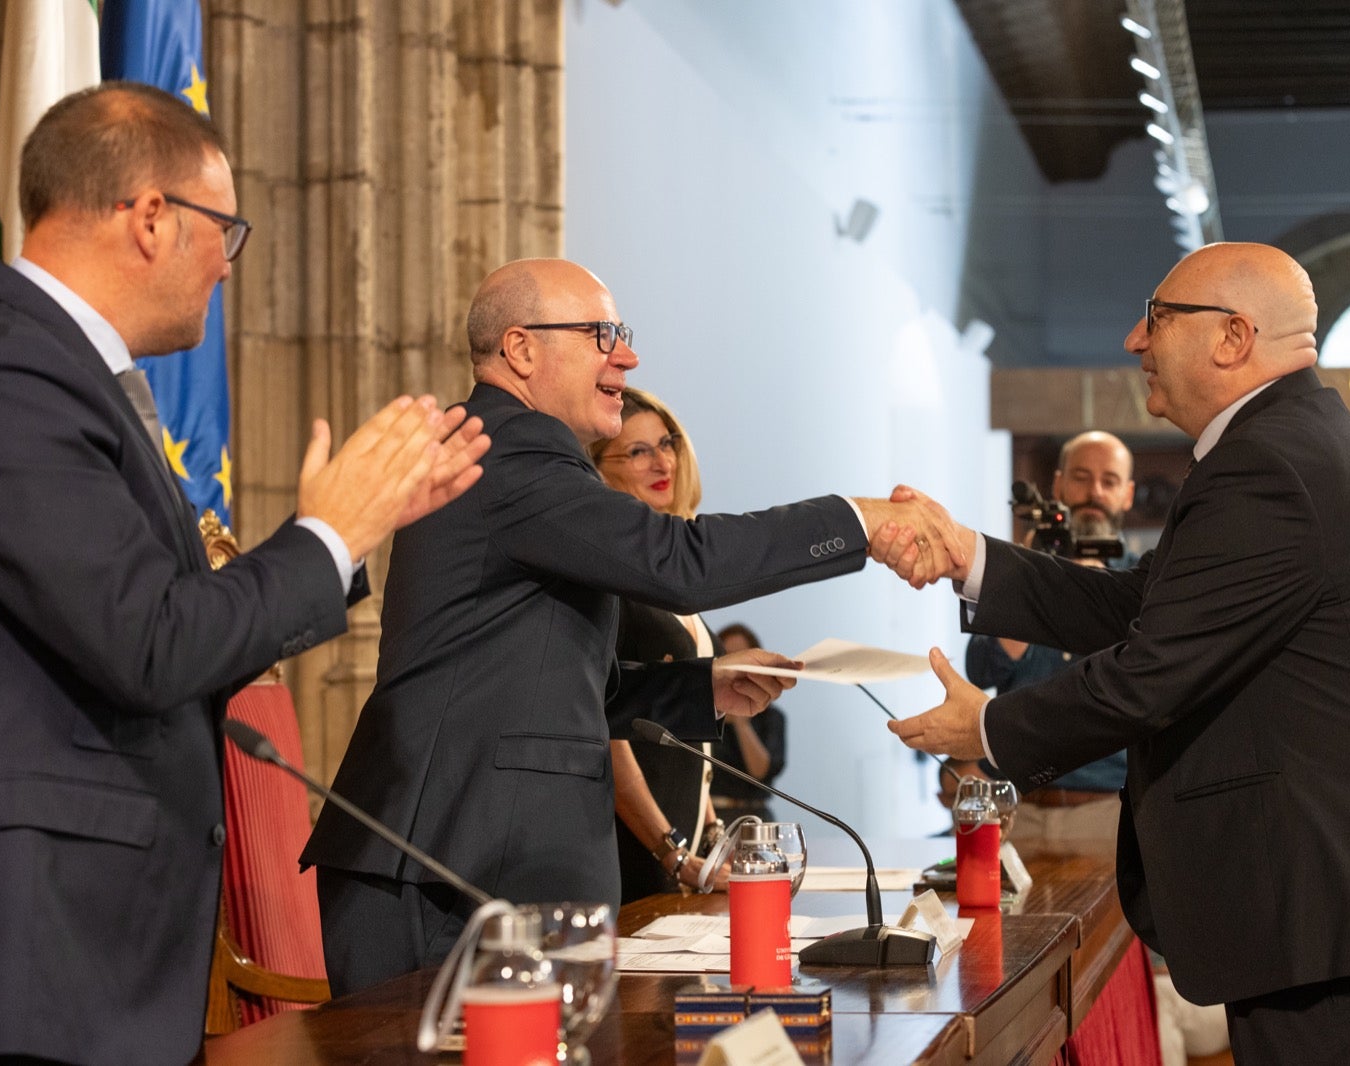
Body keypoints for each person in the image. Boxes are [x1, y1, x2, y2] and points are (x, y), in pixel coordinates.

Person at [0, 83, 489, 1066]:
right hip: (27, 971)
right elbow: (150, 647)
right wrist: (327, 536)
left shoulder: (58, 374)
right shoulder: (3, 378)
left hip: (90, 964)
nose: (227, 261)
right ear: (149, 217)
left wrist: (346, 541)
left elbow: (152, 643)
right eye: (224, 226)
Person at [882, 242, 1350, 1063]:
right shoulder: (1280, 446)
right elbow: (1138, 604)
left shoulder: (1272, 464)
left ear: (1233, 337)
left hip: (1344, 907)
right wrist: (972, 556)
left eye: (1158, 318)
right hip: (1335, 903)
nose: (1136, 341)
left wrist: (989, 727)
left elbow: (1149, 674)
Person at [302, 257, 961, 995]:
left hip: (476, 864)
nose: (628, 355)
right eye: (602, 333)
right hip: (448, 868)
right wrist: (858, 520)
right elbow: (681, 560)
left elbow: (556, 690)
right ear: (522, 349)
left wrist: (701, 688)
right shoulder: (513, 454)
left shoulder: (516, 454)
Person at [586, 387, 728, 900]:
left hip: (683, 844)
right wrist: (671, 850)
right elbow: (609, 734)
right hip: (635, 848)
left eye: (665, 444)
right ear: (599, 470)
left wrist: (711, 832)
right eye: (638, 450)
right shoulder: (609, 582)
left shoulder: (665, 576)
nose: (660, 460)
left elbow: (689, 745)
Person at [966, 432, 1137, 855]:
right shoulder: (1027, 569)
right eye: (1081, 478)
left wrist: (1096, 589)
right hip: (1018, 808)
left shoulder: (1142, 586)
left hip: (1109, 812)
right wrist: (1029, 579)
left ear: (1128, 494)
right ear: (1058, 485)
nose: (1094, 492)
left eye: (1109, 481)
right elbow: (982, 669)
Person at [709, 623, 789, 824]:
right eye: (728, 656)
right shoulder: (703, 713)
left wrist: (741, 724)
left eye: (742, 656)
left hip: (756, 816)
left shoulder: (772, 717)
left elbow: (762, 771)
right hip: (711, 814)